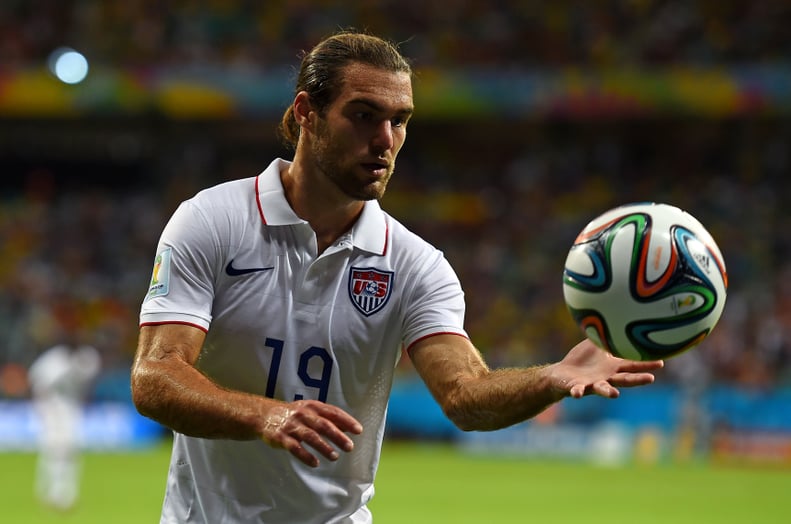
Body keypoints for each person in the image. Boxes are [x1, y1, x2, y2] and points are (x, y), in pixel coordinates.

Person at [131, 30, 663, 523]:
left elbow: (465, 393)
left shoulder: (415, 264)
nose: (385, 140)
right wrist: (263, 416)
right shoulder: (212, 221)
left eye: (400, 119)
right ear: (306, 113)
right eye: (363, 115)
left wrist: (551, 377)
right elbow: (155, 377)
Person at [28, 320, 100, 511]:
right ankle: (48, 492)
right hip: (51, 407)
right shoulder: (53, 359)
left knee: (69, 449)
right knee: (52, 448)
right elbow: (38, 381)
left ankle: (65, 494)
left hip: (71, 407)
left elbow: (87, 381)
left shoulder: (87, 357)